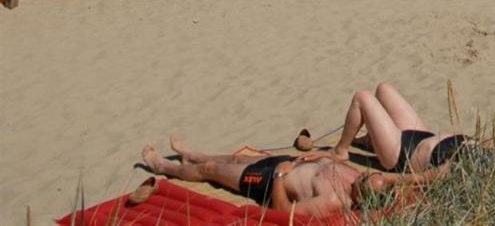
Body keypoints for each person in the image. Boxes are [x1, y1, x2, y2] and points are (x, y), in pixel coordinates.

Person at [139, 136, 380, 216]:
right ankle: (192, 155)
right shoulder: (358, 177)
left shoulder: (332, 200)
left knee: (210, 170)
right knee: (237, 159)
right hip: (289, 164)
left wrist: (278, 176)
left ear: (361, 198)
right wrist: (320, 156)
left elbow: (282, 212)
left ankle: (163, 167)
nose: (359, 177)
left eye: (362, 183)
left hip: (270, 181)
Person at [328, 82, 477, 182]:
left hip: (401, 153)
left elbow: (425, 177)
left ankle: (340, 151)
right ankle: (372, 140)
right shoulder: (488, 152)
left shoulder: (461, 168)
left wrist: (389, 180)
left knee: (361, 98)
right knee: (384, 89)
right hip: (422, 135)